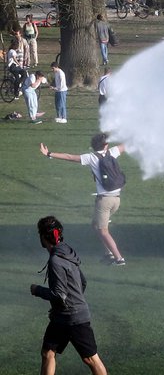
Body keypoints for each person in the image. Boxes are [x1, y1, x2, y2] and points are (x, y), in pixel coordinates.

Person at [30, 216, 109, 375]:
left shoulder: (56, 260)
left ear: (44, 237)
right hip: (62, 317)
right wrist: (62, 307)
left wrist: (37, 290)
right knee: (48, 353)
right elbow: (83, 282)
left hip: (73, 318)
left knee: (91, 359)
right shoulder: (67, 252)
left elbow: (59, 294)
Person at [39, 134, 127, 266]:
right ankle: (108, 253)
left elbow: (69, 157)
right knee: (96, 225)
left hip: (104, 201)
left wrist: (49, 153)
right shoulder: (112, 152)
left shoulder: (91, 157)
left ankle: (119, 259)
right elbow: (125, 145)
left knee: (103, 230)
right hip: (116, 200)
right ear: (106, 145)